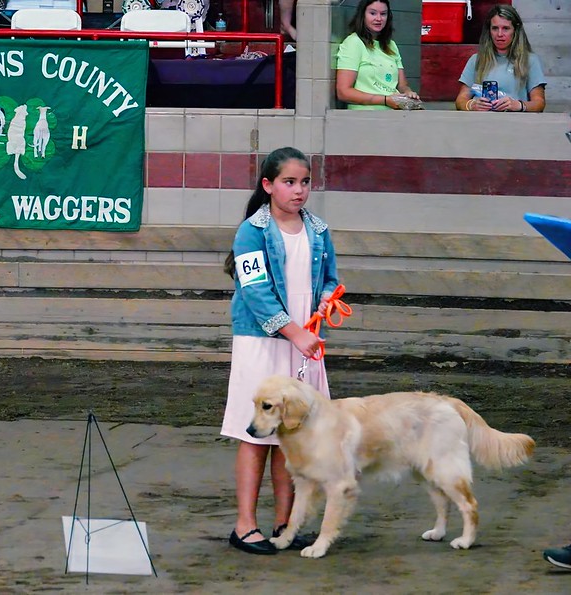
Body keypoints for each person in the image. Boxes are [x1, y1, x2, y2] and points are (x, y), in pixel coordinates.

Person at [221, 147, 339, 555]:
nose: (299, 190)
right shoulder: (251, 231)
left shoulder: (319, 229)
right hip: (263, 343)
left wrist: (325, 301)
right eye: (289, 182)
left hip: (303, 342)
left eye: (305, 182)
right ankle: (244, 525)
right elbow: (255, 293)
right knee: (255, 432)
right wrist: (294, 332)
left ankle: (286, 523)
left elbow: (330, 279)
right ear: (268, 185)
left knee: (294, 433)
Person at [455, 4, 546, 113]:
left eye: (506, 28)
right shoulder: (476, 60)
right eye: (495, 28)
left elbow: (539, 103)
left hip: (516, 123)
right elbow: (460, 100)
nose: (499, 34)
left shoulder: (530, 60)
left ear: (515, 31)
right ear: (489, 31)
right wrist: (471, 105)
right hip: (480, 123)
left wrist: (519, 105)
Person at [335, 0, 420, 110]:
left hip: (395, 116)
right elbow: (343, 92)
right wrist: (385, 100)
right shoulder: (353, 43)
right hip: (365, 118)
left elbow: (402, 85)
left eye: (383, 14)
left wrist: (408, 93)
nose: (379, 19)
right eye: (373, 13)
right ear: (363, 15)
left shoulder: (391, 45)